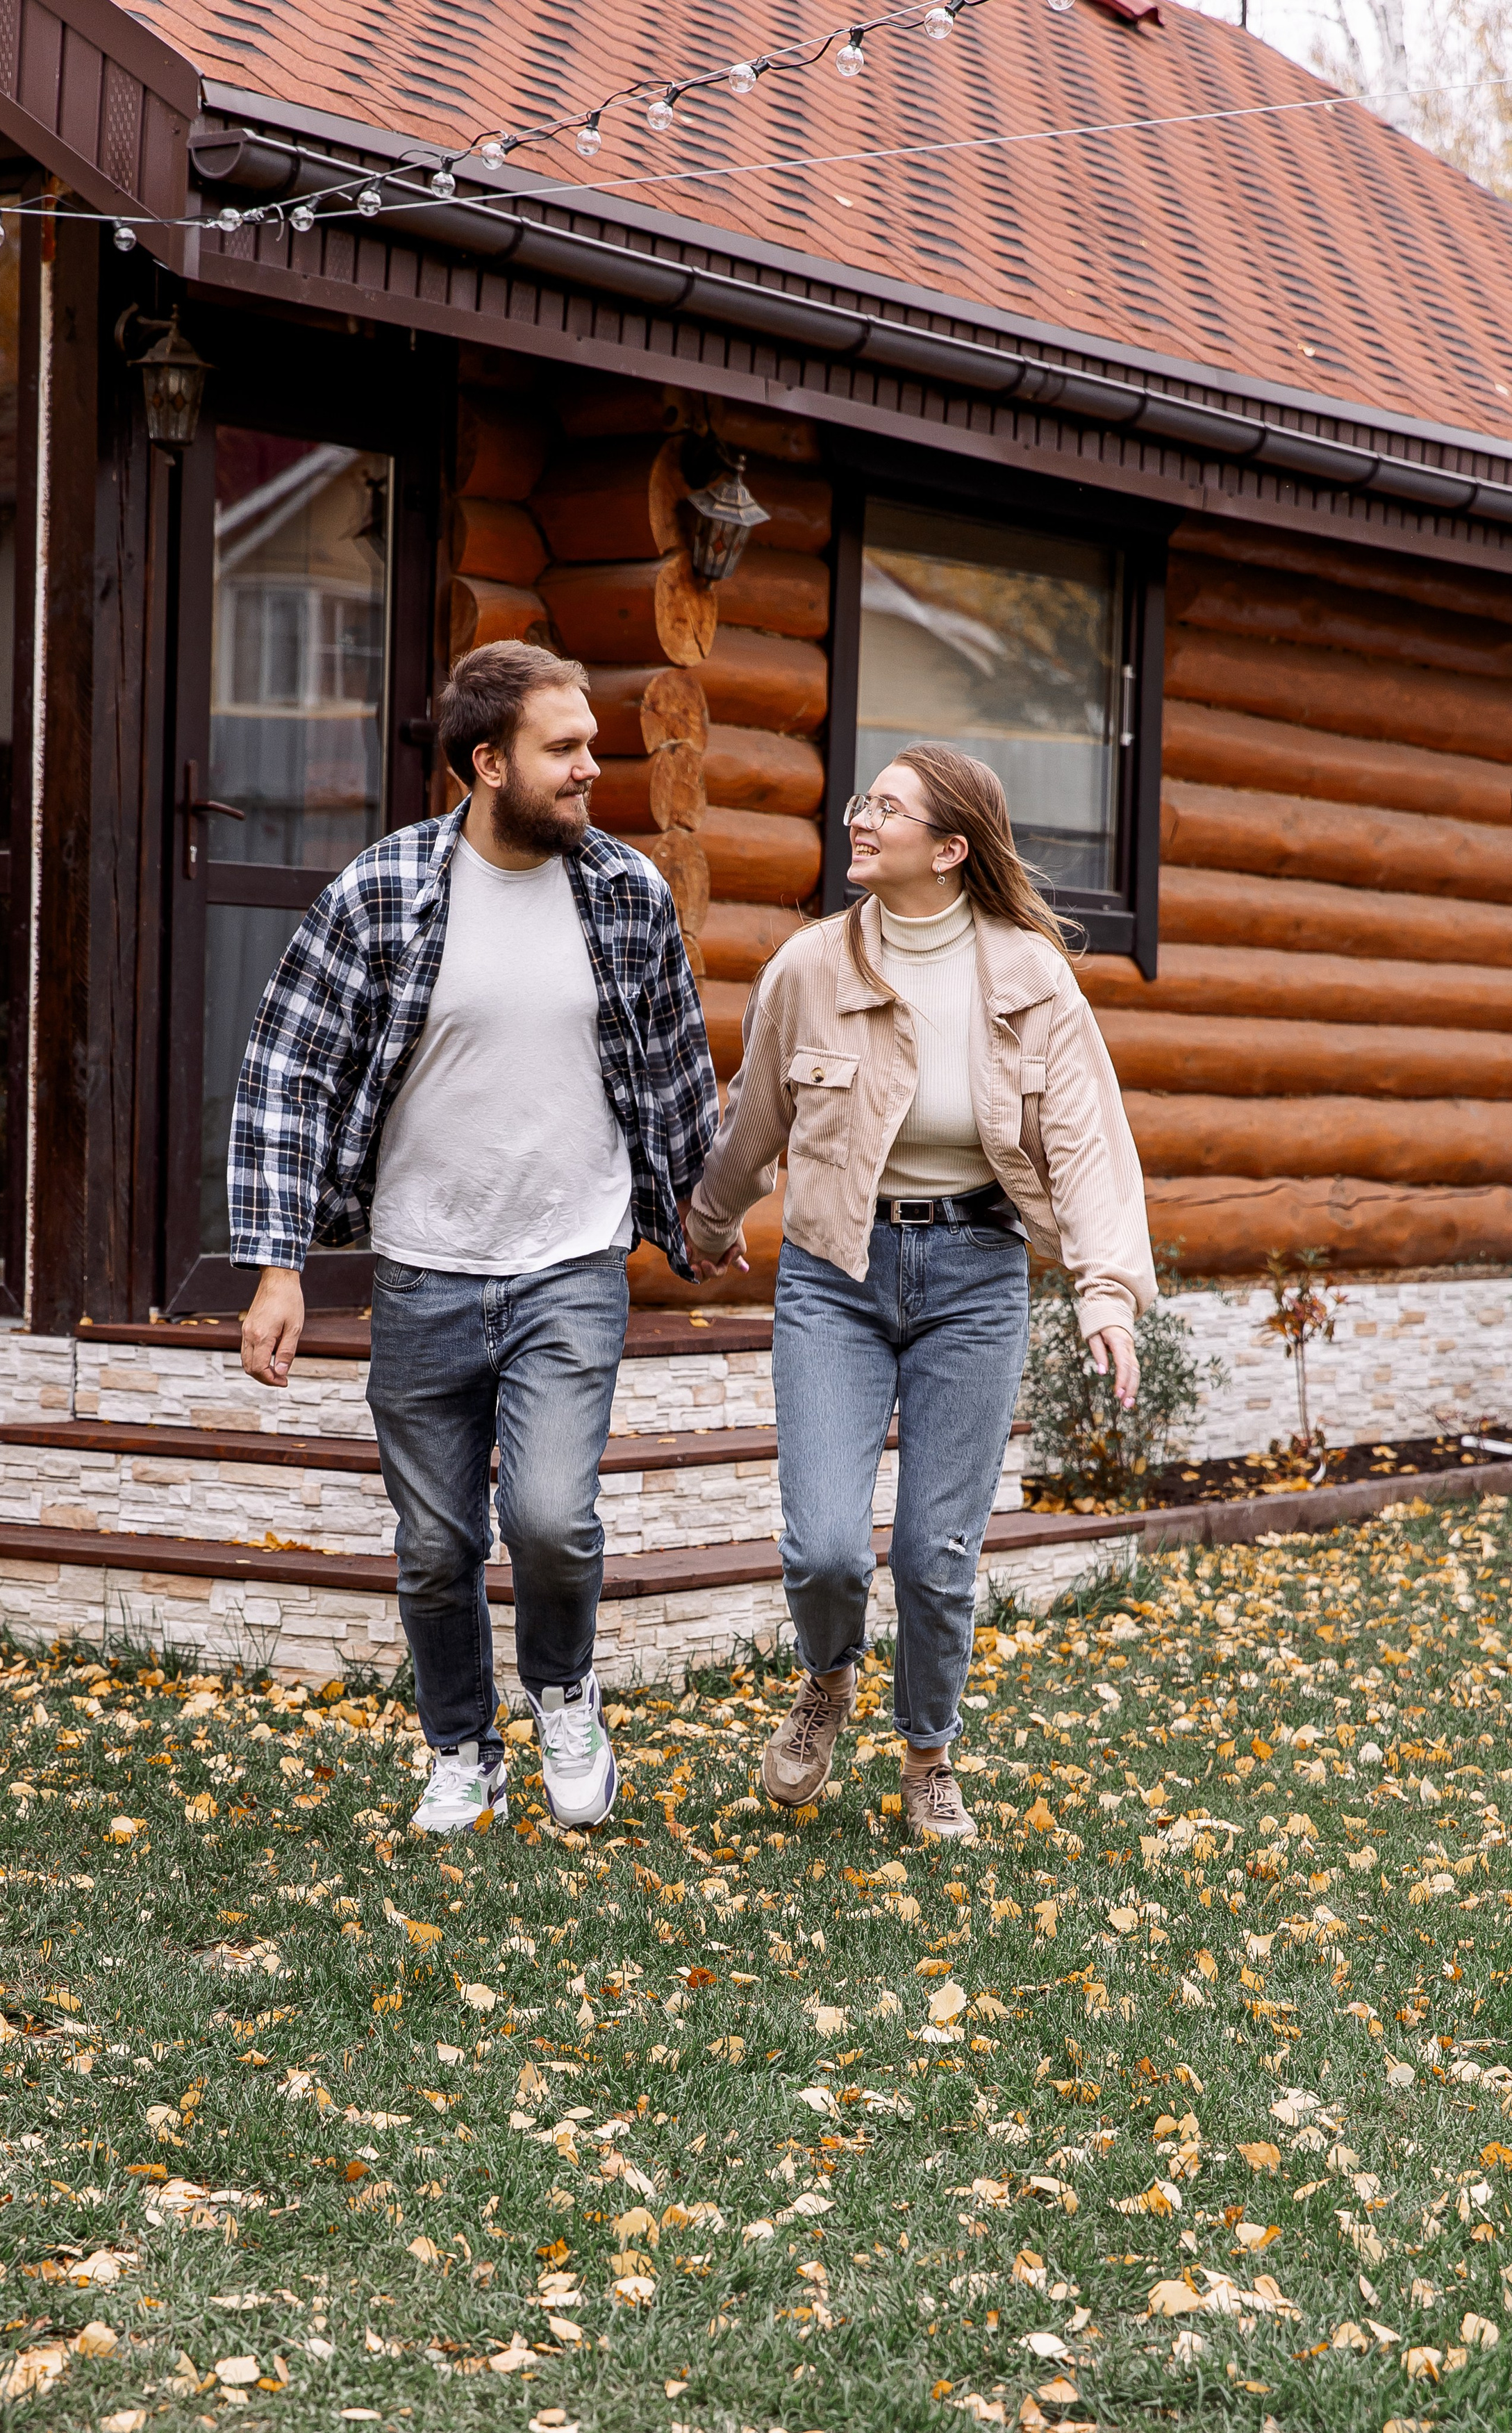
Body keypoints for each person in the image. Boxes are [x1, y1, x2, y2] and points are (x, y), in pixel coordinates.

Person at [229, 641, 717, 1837]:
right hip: (425, 1267)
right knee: (436, 1545)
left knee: (551, 1518)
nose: (593, 769)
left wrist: (699, 1213)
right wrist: (278, 1263)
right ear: (487, 763)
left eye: (591, 744)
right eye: (566, 749)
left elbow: (675, 1065)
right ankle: (461, 1748)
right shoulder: (380, 891)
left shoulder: (626, 891)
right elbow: (285, 1068)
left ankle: (561, 1696)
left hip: (571, 1261)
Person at [683, 745, 1153, 1843]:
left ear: (949, 848)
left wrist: (1107, 1294)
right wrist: (708, 1225)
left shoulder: (1030, 976)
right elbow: (758, 1120)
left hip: (975, 1277)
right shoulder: (809, 967)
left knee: (938, 1553)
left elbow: (1085, 1144)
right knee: (826, 1548)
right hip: (833, 1276)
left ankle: (929, 1753)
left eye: (886, 809)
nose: (859, 820)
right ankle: (827, 1678)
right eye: (862, 801)